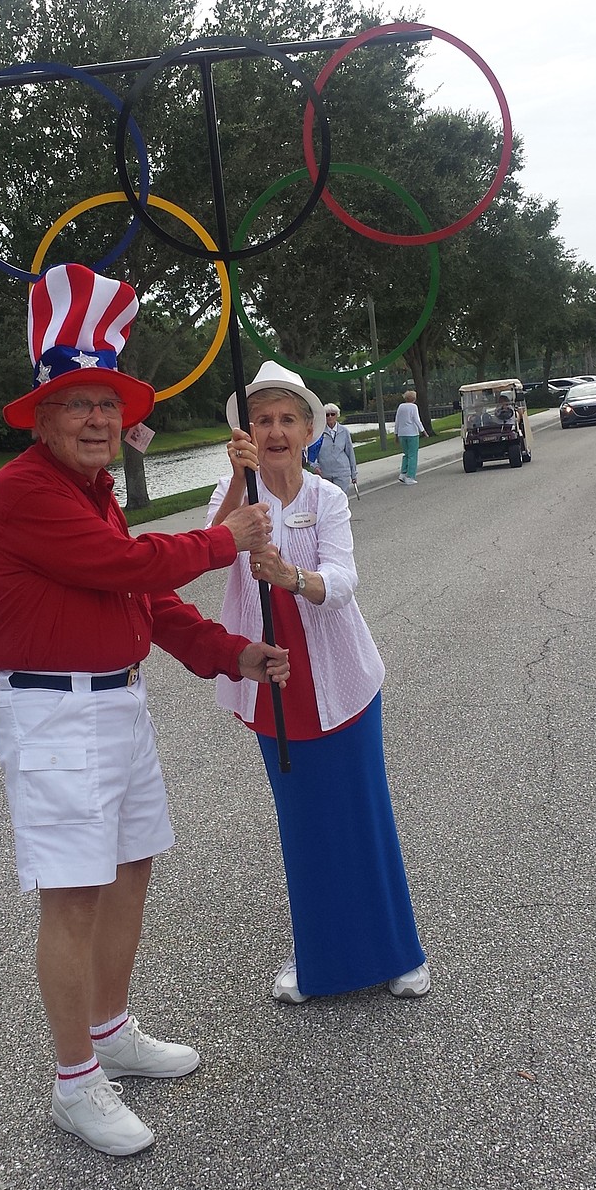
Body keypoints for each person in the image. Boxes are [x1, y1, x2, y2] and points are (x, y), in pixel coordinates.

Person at [0, 263, 289, 1158]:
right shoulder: (23, 494)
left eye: (108, 405)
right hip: (52, 715)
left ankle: (109, 1028)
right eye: (79, 404)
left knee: (129, 867)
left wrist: (232, 652)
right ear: (42, 416)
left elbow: (144, 607)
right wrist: (223, 536)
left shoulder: (95, 495)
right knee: (72, 895)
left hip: (115, 704)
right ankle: (75, 1083)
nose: (99, 420)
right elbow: (130, 571)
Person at [206, 360, 429, 1007]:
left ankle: (398, 949)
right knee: (303, 823)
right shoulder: (236, 493)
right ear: (246, 431)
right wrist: (241, 484)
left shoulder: (326, 496)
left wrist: (292, 578)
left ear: (309, 430)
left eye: (287, 419)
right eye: (262, 419)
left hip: (340, 677)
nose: (275, 431)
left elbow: (343, 582)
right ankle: (318, 954)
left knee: (363, 816)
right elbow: (208, 544)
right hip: (273, 680)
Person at [306, 402, 357, 494]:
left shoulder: (344, 431)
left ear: (337, 415)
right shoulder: (319, 433)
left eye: (332, 414)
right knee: (328, 501)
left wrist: (354, 474)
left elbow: (350, 452)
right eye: (327, 415)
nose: (330, 417)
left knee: (340, 500)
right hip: (325, 473)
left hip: (342, 473)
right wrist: (315, 466)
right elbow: (312, 453)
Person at [394, 389, 427, 485]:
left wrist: (396, 433)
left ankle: (403, 473)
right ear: (414, 398)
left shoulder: (401, 407)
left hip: (402, 433)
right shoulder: (413, 407)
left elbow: (397, 421)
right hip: (412, 433)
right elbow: (417, 420)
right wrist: (423, 431)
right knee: (413, 455)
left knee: (406, 454)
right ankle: (410, 476)